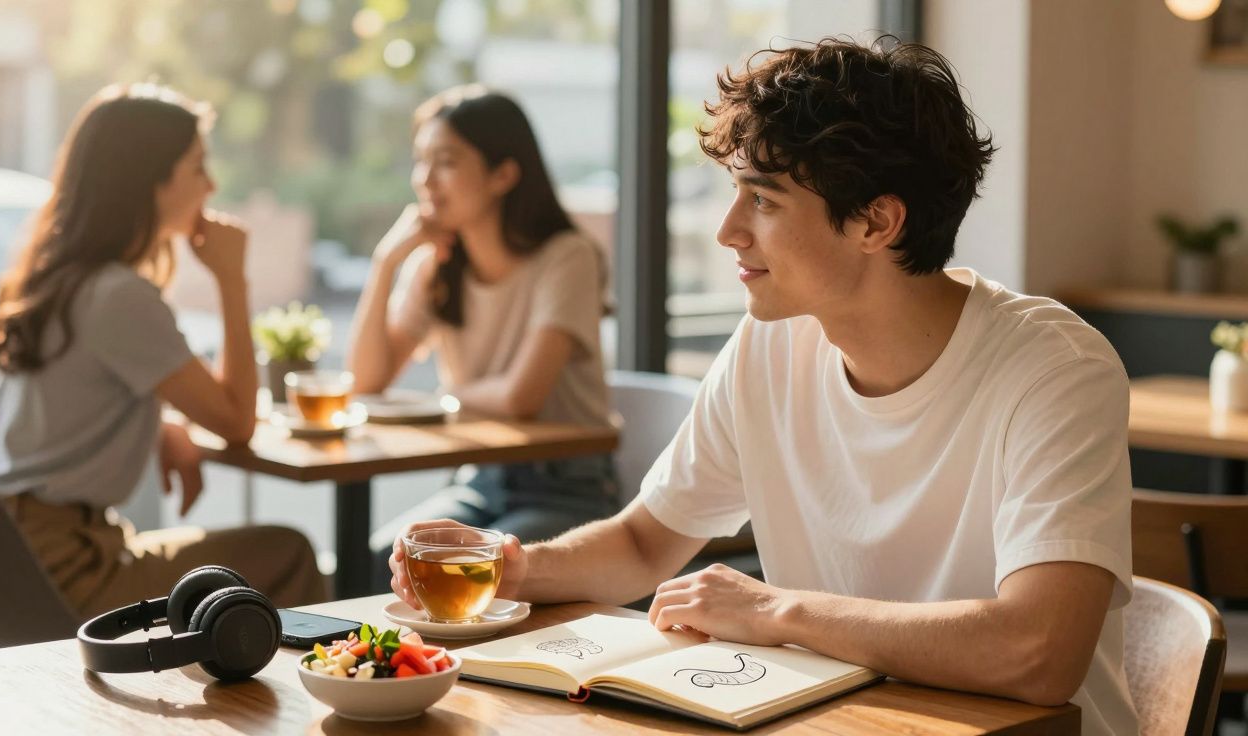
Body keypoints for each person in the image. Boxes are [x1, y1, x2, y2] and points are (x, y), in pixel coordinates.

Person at [388, 40, 1137, 735]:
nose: (728, 230)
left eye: (764, 200)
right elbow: (646, 541)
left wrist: (777, 611)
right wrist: (515, 567)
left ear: (876, 222)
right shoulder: (770, 343)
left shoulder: (1054, 369)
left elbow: (1039, 651)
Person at [0, 84, 326, 619]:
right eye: (197, 167)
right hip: (67, 569)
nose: (211, 185)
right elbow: (236, 422)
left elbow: (69, 401)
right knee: (286, 553)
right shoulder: (119, 295)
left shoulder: (58, 278)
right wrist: (231, 280)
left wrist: (159, 425)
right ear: (151, 182)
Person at [347, 86, 618, 592]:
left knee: (466, 573)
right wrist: (386, 262)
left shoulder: (567, 257)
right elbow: (365, 381)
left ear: (503, 175)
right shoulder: (437, 266)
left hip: (566, 490)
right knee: (376, 560)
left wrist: (443, 399)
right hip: (481, 482)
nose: (425, 179)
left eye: (446, 162)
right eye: (421, 161)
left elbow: (521, 397)